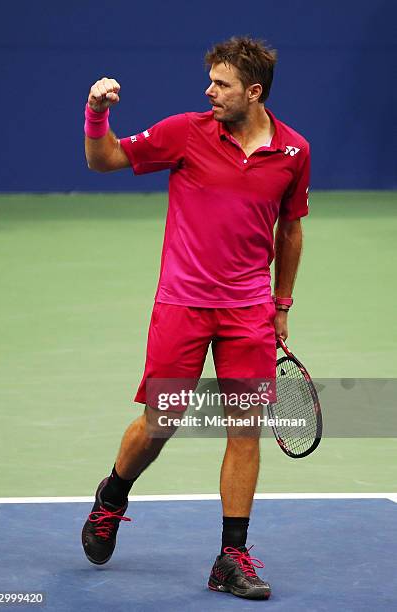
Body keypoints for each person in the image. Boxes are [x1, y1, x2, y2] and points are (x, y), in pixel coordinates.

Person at [81, 36, 309, 601]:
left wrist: (281, 304)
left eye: (221, 84)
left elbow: (292, 228)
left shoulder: (294, 152)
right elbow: (105, 159)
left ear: (253, 92)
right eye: (210, 81)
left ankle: (230, 558)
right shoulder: (185, 131)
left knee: (244, 428)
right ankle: (113, 494)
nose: (209, 91)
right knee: (162, 422)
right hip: (182, 304)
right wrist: (97, 113)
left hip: (248, 310)